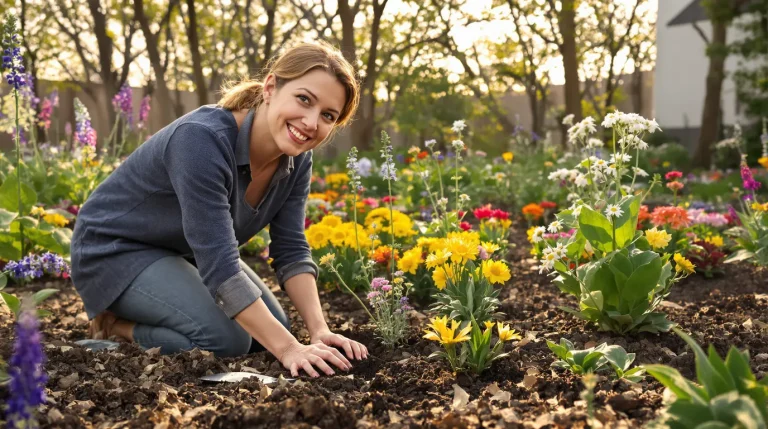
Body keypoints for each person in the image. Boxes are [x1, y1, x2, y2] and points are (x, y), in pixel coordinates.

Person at [70, 42, 367, 378]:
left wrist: (318, 330)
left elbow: (291, 248)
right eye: (304, 99)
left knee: (267, 331)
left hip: (181, 250)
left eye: (328, 115)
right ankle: (115, 327)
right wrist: (288, 348)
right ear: (271, 87)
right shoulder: (201, 140)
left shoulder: (297, 160)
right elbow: (220, 266)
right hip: (114, 251)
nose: (311, 122)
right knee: (227, 339)